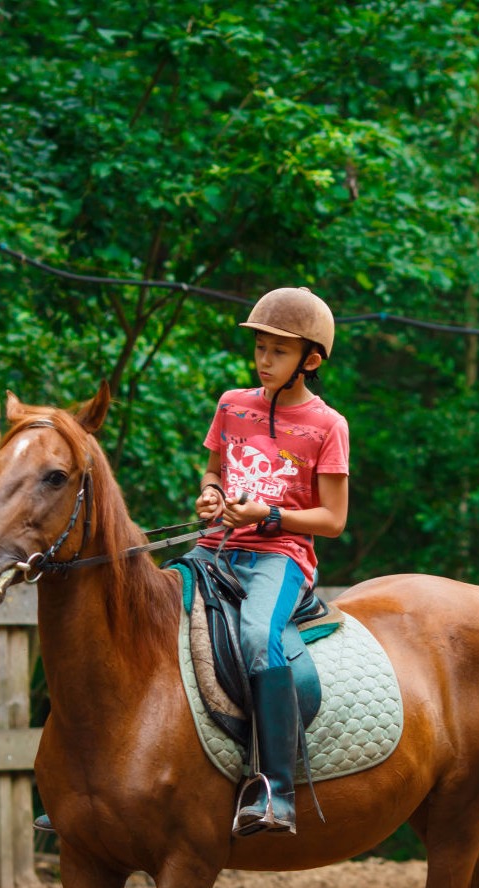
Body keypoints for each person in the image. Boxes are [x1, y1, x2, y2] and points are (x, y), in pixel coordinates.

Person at [188, 286, 349, 836]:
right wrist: (210, 496)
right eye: (259, 346)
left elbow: (332, 520)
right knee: (144, 609)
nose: (262, 359)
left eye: (277, 350)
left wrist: (270, 514)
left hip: (281, 557)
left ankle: (276, 790)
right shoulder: (233, 404)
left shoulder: (329, 426)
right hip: (215, 546)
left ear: (311, 359)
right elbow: (214, 470)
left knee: (259, 637)